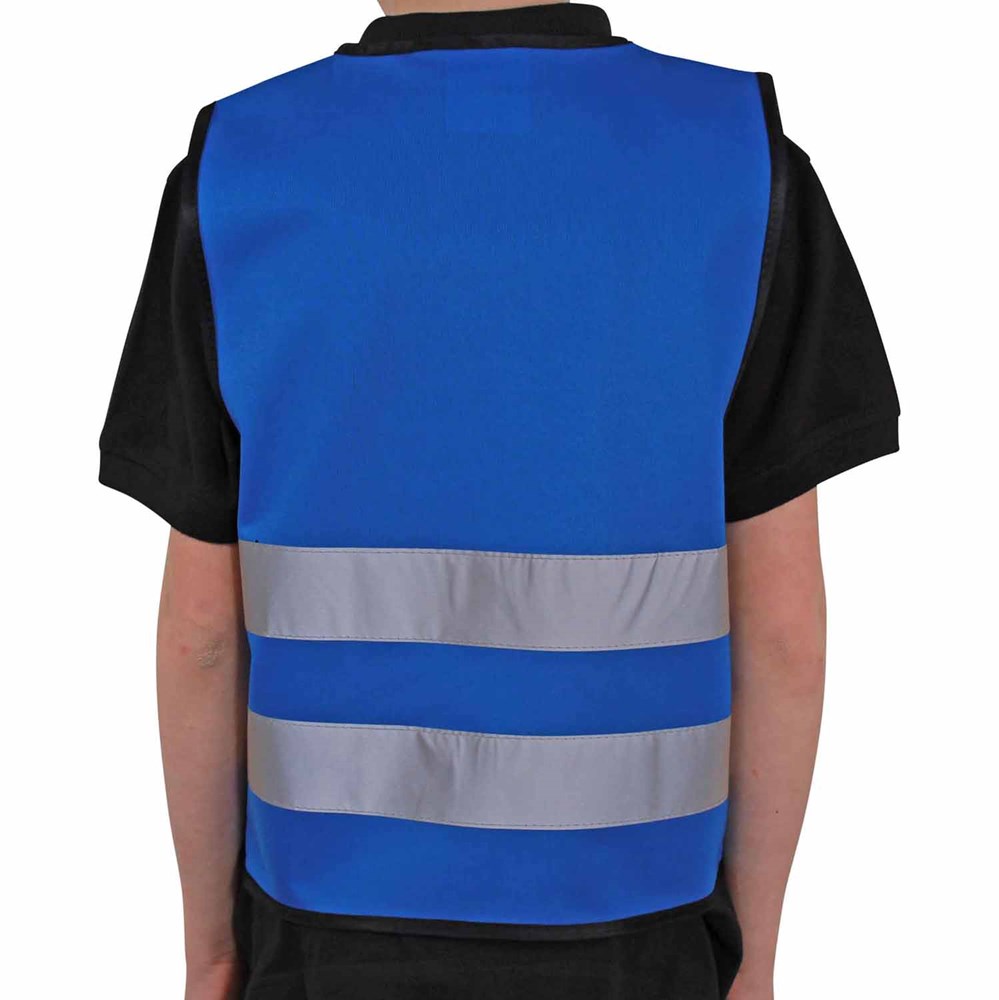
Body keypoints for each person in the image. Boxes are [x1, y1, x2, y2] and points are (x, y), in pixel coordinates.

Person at [99, 3, 899, 998]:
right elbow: (782, 632)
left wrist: (213, 952)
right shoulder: (737, 158)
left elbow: (201, 638)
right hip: (638, 923)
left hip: (324, 925)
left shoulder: (241, 166)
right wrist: (757, 957)